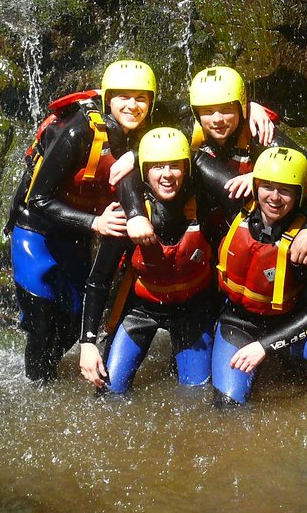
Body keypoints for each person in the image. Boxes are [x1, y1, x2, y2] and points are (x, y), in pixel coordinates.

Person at [8, 59, 154, 382]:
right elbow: (39, 198)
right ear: (108, 99)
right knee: (42, 321)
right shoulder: (80, 130)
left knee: (75, 323)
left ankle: (46, 375)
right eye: (123, 97)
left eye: (141, 98)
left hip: (77, 236)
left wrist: (250, 109)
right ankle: (36, 390)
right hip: (37, 231)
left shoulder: (145, 135)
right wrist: (95, 224)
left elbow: (191, 119)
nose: (132, 105)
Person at [211, 146, 307, 407]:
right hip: (239, 324)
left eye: (286, 190)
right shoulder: (236, 208)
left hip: (292, 325)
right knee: (228, 407)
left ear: (300, 194)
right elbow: (194, 162)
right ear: (255, 185)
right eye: (267, 186)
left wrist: (265, 346)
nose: (274, 197)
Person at [149, 65, 307, 264]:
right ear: (197, 112)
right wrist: (132, 157)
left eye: (227, 110)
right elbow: (146, 112)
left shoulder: (257, 133)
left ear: (240, 108)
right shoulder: (186, 132)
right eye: (208, 111)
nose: (217, 120)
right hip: (202, 223)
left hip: (247, 225)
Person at [77, 127, 215, 394]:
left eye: (175, 167)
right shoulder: (126, 215)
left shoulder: (205, 202)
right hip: (142, 311)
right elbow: (98, 281)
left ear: (186, 169)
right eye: (157, 168)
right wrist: (87, 342)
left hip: (193, 310)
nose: (166, 175)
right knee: (110, 394)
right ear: (144, 172)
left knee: (196, 395)